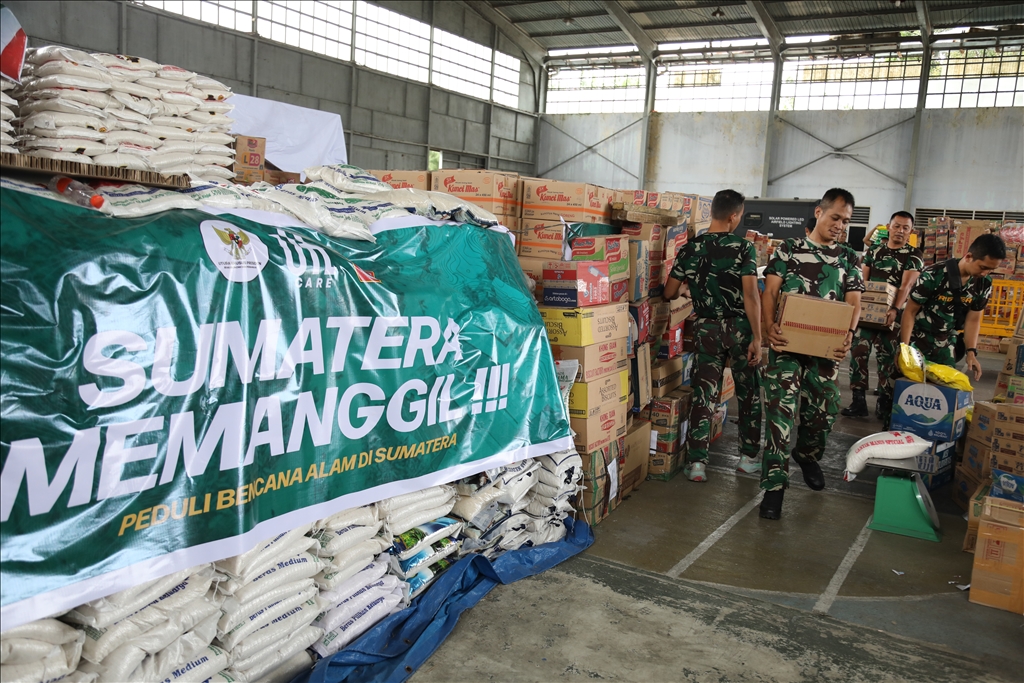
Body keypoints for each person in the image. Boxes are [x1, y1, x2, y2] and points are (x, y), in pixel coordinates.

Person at [760, 188, 864, 520]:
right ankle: (774, 488)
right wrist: (767, 328)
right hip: (786, 346)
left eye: (845, 221)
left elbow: (854, 301)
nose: (840, 226)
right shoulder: (789, 249)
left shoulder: (848, 257)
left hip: (825, 351)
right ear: (819, 212)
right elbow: (771, 291)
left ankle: (807, 454)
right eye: (835, 218)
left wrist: (848, 334)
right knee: (780, 415)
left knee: (824, 412)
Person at [663, 189, 763, 482]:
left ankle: (697, 464)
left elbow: (669, 291)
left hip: (706, 327)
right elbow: (750, 295)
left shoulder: (691, 248)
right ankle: (747, 458)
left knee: (704, 393)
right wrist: (758, 337)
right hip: (740, 328)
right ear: (734, 216)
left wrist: (688, 290)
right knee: (748, 394)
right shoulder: (744, 248)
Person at [841, 211, 923, 420]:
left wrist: (894, 310)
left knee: (887, 358)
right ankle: (858, 400)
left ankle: (884, 402)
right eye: (896, 226)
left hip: (893, 313)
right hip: (868, 312)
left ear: (910, 231)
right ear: (889, 226)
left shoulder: (914, 255)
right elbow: (863, 281)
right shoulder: (875, 250)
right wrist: (861, 307)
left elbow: (906, 286)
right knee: (858, 351)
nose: (900, 231)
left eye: (905, 228)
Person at [901, 233, 1006, 381]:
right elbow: (910, 312)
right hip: (917, 338)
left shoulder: (984, 283)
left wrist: (971, 352)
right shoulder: (933, 275)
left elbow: (973, 319)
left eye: (990, 270)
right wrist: (904, 349)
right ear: (969, 256)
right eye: (983, 267)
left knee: (945, 390)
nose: (985, 273)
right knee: (906, 386)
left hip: (947, 342)